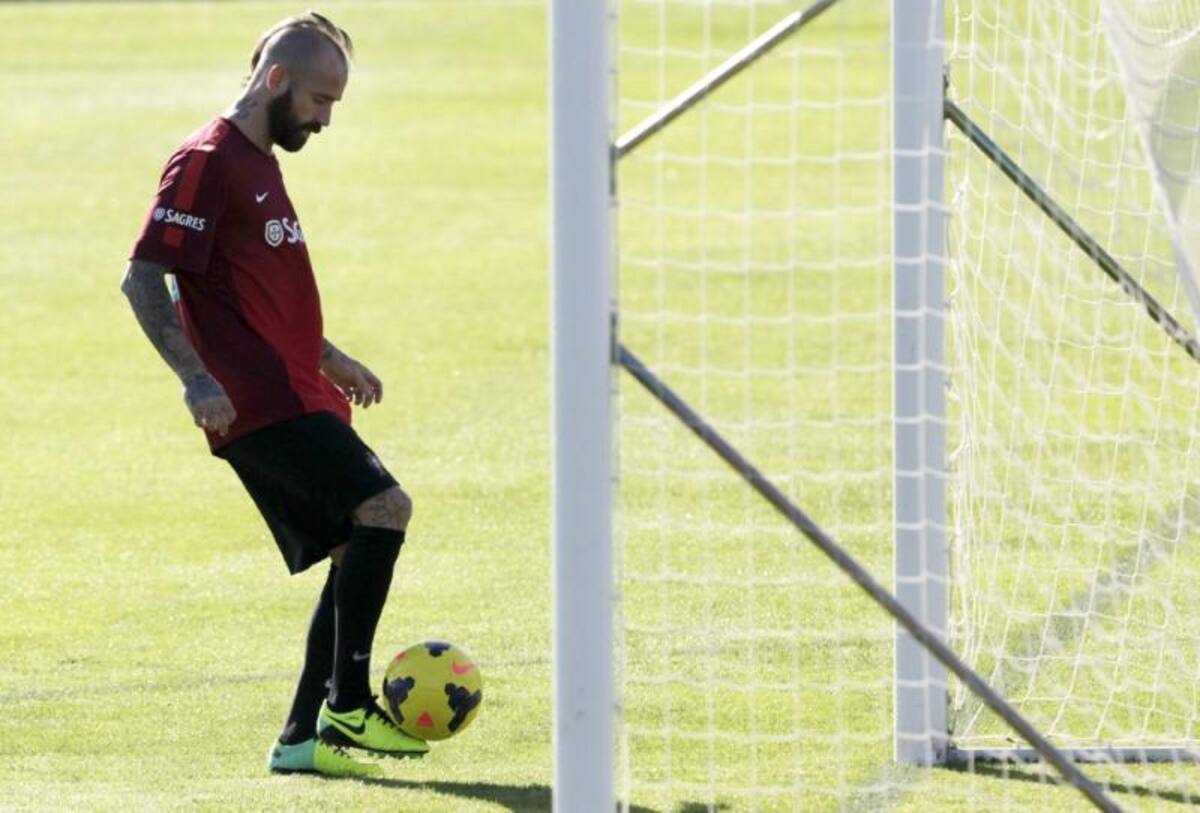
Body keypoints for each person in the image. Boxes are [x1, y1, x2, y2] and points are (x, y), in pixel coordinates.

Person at [120, 11, 426, 779]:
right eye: (320, 101)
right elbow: (143, 277)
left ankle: (300, 737)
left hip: (294, 388)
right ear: (277, 79)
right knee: (384, 507)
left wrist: (330, 356)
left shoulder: (259, 163)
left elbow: (258, 294)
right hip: (257, 401)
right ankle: (348, 703)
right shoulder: (206, 161)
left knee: (355, 541)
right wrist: (195, 377)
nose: (324, 120)